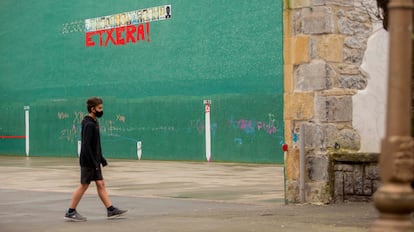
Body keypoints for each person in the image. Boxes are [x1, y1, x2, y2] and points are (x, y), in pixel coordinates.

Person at [64, 97, 127, 221]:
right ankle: (71, 211)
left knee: (100, 183)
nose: (101, 110)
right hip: (88, 161)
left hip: (95, 160)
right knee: (84, 185)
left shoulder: (94, 122)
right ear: (92, 109)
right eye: (99, 108)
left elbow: (95, 144)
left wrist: (101, 159)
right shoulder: (88, 124)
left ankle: (110, 210)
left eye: (101, 108)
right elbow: (86, 146)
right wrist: (94, 163)